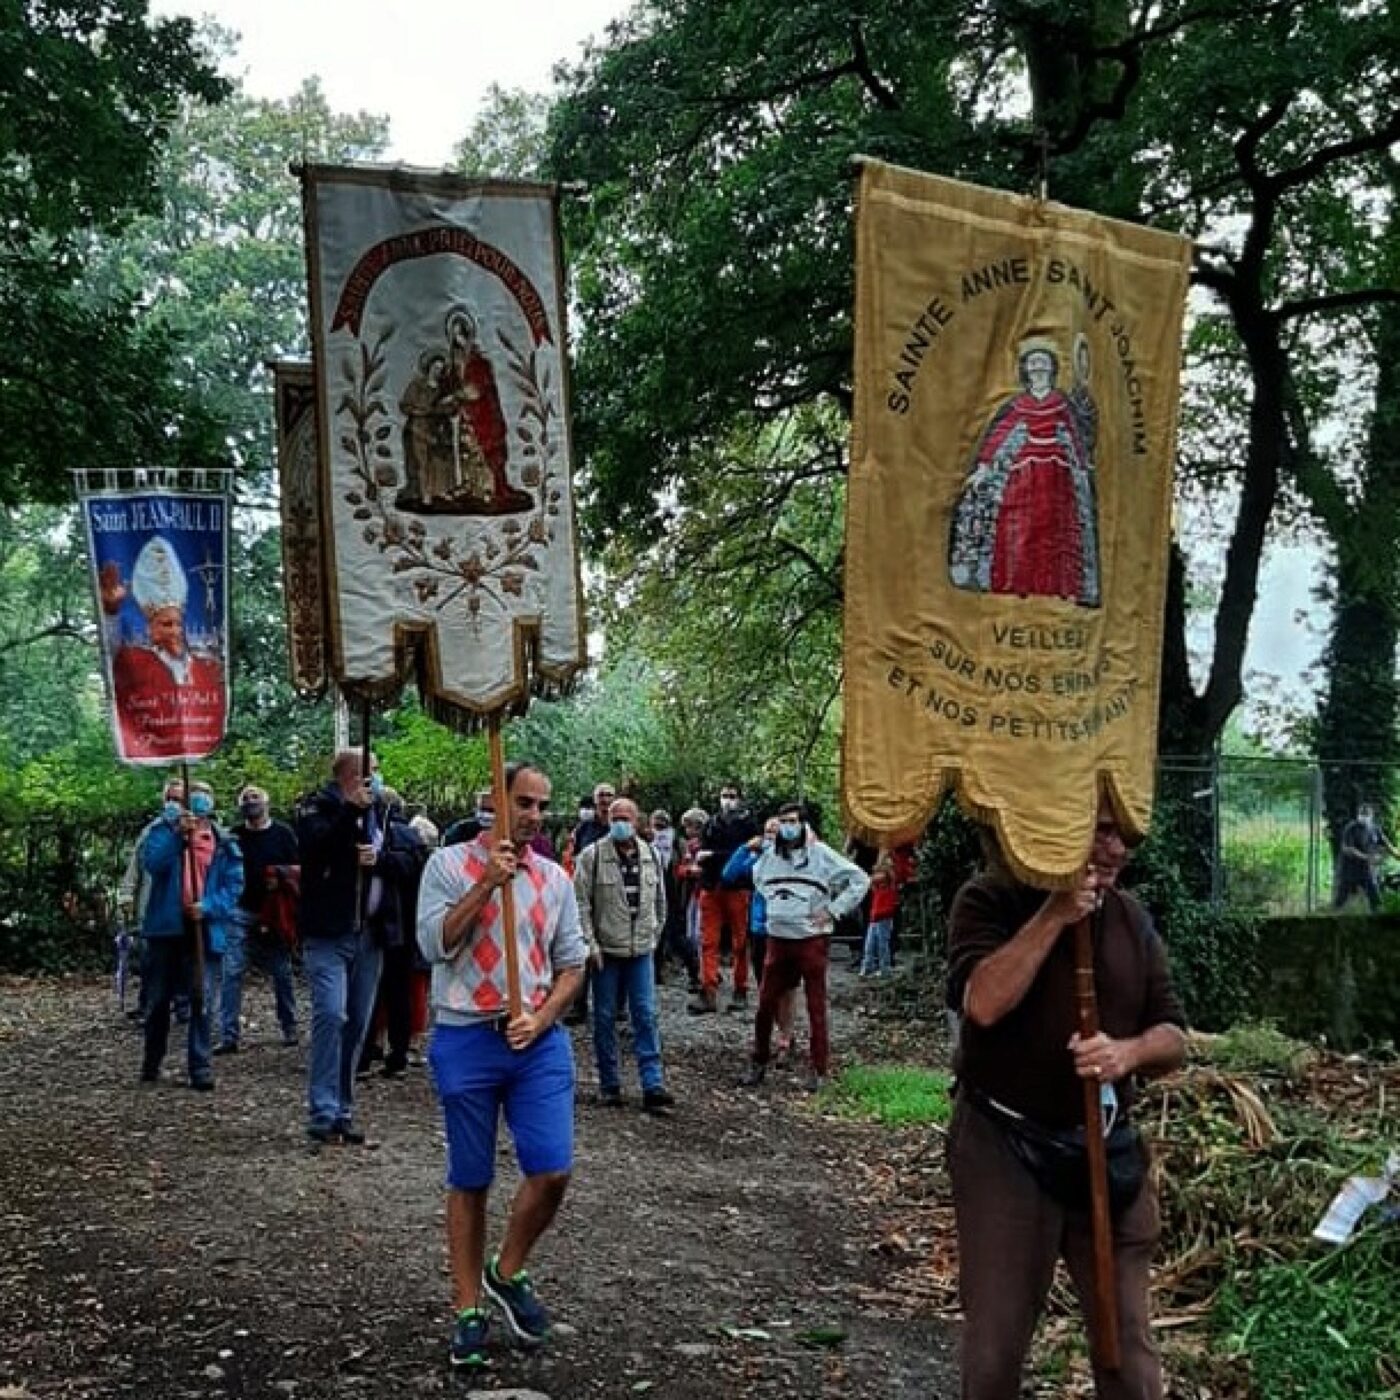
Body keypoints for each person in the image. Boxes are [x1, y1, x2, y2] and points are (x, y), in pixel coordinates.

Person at [945, 797, 1187, 1399]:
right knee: (996, 1351)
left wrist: (1125, 1054)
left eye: (1127, 836)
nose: (1117, 849)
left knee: (1128, 1356)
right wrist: (1055, 913)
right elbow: (983, 1003)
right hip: (1006, 1144)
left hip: (1107, 1152)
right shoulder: (989, 899)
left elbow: (1174, 1035)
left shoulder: (1133, 919)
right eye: (1103, 832)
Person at [416, 760, 587, 1368]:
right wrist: (486, 882)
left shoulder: (555, 879)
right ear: (494, 799)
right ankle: (467, 1310)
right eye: (524, 802)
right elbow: (433, 944)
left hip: (535, 1042)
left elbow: (573, 963)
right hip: (465, 1035)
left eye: (543, 805)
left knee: (553, 1170)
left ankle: (505, 1271)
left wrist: (541, 1018)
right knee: (470, 1177)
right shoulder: (446, 864)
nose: (535, 815)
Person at [948, 338, 1100, 607]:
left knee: (1056, 535)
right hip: (1025, 473)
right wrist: (983, 468)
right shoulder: (1019, 405)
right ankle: (1017, 585)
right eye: (1033, 362)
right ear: (1026, 369)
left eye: (1043, 362)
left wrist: (1083, 467)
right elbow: (998, 435)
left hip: (1058, 477)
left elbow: (1076, 436)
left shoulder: (1061, 404)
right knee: (1019, 531)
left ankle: (1059, 588)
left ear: (1051, 369)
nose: (1038, 367)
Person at [296, 749, 392, 1146]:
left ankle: (343, 1107)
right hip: (328, 934)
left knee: (356, 1024)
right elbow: (314, 848)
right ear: (353, 776)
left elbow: (408, 856)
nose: (378, 779)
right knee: (331, 1015)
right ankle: (322, 1108)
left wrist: (381, 859)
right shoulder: (314, 808)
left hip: (370, 934)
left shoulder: (383, 812)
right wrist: (348, 814)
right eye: (372, 773)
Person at [739, 803, 869, 1092]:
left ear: (803, 824)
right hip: (777, 938)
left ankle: (819, 1068)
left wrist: (833, 910)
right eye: (783, 820)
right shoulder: (771, 855)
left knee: (815, 1006)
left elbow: (859, 879)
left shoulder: (821, 854)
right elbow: (757, 878)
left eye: (792, 821)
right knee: (764, 1005)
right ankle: (758, 1061)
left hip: (811, 939)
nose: (787, 826)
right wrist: (777, 904)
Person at [139, 780, 243, 1090]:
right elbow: (153, 864)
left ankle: (200, 1067)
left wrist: (209, 906)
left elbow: (234, 885)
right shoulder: (160, 831)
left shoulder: (223, 841)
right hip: (164, 929)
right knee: (158, 1001)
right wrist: (176, 835)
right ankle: (152, 1061)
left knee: (202, 998)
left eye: (198, 796)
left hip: (203, 929)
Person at [574, 797, 674, 1113]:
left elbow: (661, 901)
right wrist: (590, 945)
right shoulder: (591, 856)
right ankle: (609, 1084)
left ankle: (653, 1083)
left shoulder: (651, 856)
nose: (620, 822)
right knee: (603, 1018)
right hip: (606, 951)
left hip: (641, 950)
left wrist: (653, 937)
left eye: (625, 817)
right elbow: (581, 905)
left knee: (645, 1015)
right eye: (615, 817)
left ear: (637, 820)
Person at [100, 536, 227, 760]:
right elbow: (112, 651)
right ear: (152, 629)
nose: (175, 632)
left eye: (179, 624)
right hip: (153, 742)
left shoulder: (206, 666)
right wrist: (110, 612)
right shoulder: (136, 660)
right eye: (167, 625)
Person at [218, 784, 299, 1052]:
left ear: (267, 802)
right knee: (231, 971)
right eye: (245, 798)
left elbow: (300, 869)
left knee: (282, 971)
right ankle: (229, 1035)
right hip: (239, 909)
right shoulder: (233, 836)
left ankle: (289, 1026)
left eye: (255, 797)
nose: (250, 801)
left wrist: (281, 875)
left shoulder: (284, 834)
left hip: (273, 911)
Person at [359, 790, 429, 1078]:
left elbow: (410, 868)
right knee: (392, 993)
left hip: (394, 924)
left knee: (380, 992)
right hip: (398, 926)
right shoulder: (407, 836)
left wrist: (379, 859)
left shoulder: (403, 836)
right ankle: (386, 1052)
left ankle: (383, 1053)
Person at [689, 784, 759, 1015]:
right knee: (708, 941)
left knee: (740, 943)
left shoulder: (749, 825)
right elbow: (702, 854)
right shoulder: (711, 823)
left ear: (739, 799)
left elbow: (749, 854)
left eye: (732, 796)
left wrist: (714, 856)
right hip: (711, 887)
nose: (727, 800)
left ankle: (741, 989)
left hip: (738, 888)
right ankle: (708, 990)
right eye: (724, 796)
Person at [1333, 802, 1396, 912]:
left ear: (1371, 815)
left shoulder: (1374, 828)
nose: (1364, 817)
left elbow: (1386, 843)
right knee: (1341, 898)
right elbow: (1350, 849)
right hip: (1349, 870)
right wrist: (1368, 858)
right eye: (1362, 814)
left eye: (1366, 814)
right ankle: (1334, 915)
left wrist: (1396, 854)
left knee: (1374, 894)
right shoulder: (1351, 828)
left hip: (1366, 870)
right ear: (1358, 815)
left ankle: (1377, 915)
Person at [860, 852, 899, 977]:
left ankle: (884, 969)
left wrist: (883, 862)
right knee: (869, 944)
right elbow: (872, 881)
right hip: (874, 918)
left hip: (884, 919)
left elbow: (885, 876)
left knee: (882, 945)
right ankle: (868, 967)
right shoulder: (877, 888)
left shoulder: (890, 886)